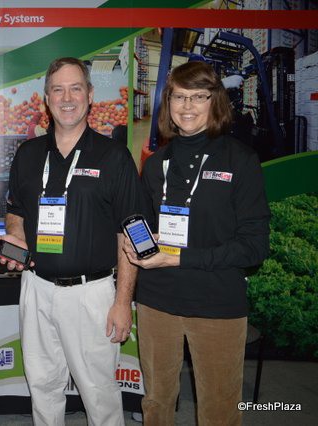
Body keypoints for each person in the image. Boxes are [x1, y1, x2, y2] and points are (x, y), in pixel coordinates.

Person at [0, 57, 144, 425]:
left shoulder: (114, 156)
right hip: (36, 288)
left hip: (91, 294)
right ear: (46, 98)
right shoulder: (28, 154)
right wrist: (16, 234)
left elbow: (129, 231)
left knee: (99, 392)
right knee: (42, 385)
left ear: (90, 95)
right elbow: (15, 210)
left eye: (75, 88)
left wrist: (122, 302)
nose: (67, 98)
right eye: (58, 90)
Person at [124, 61, 270, 426]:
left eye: (199, 96)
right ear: (168, 103)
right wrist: (138, 245)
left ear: (214, 101)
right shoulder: (156, 164)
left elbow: (254, 247)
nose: (187, 106)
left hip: (217, 303)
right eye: (179, 96)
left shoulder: (241, 160)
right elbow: (146, 228)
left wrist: (179, 258)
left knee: (220, 408)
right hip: (157, 302)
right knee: (156, 404)